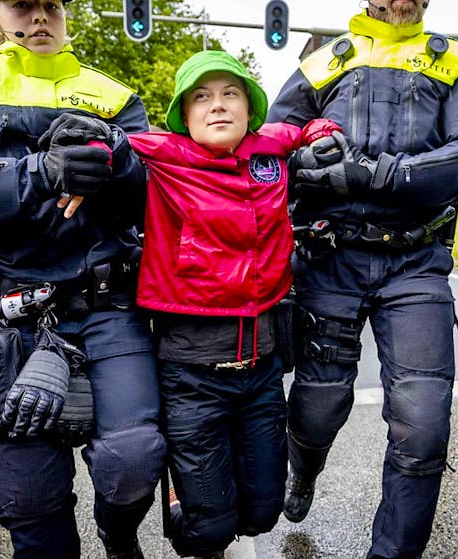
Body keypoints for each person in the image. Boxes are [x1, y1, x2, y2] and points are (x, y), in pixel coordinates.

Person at [0, 1, 165, 557]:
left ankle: (120, 536)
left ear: (64, 16)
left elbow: (151, 196)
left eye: (50, 7)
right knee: (30, 501)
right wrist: (43, 170)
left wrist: (119, 158)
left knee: (133, 460)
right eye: (23, 6)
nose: (38, 18)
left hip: (109, 306)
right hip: (14, 317)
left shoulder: (113, 94)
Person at [266, 1, 458, 557]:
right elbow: (269, 151)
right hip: (330, 259)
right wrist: (308, 160)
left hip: (415, 264)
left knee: (422, 429)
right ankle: (305, 467)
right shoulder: (323, 62)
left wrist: (374, 173)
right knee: (316, 410)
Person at [118, 50, 338, 559]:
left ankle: (211, 510)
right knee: (210, 529)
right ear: (184, 115)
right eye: (202, 97)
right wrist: (80, 145)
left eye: (230, 94)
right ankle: (185, 506)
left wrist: (320, 131)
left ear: (249, 107)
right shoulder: (159, 154)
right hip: (191, 376)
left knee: (263, 513)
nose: (217, 107)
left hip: (260, 371)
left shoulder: (268, 150)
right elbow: (110, 144)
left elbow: (298, 130)